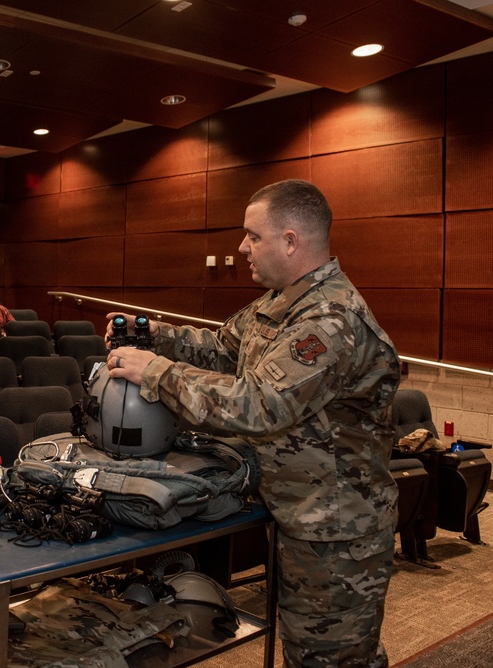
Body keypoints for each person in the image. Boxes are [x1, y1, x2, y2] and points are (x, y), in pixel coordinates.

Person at [105, 179, 399, 667]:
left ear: (290, 240)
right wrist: (156, 335)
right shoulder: (280, 303)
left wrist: (154, 372)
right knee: (305, 650)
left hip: (337, 530)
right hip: (297, 513)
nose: (242, 247)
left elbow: (260, 405)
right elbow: (222, 350)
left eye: (252, 236)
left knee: (331, 658)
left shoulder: (329, 318)